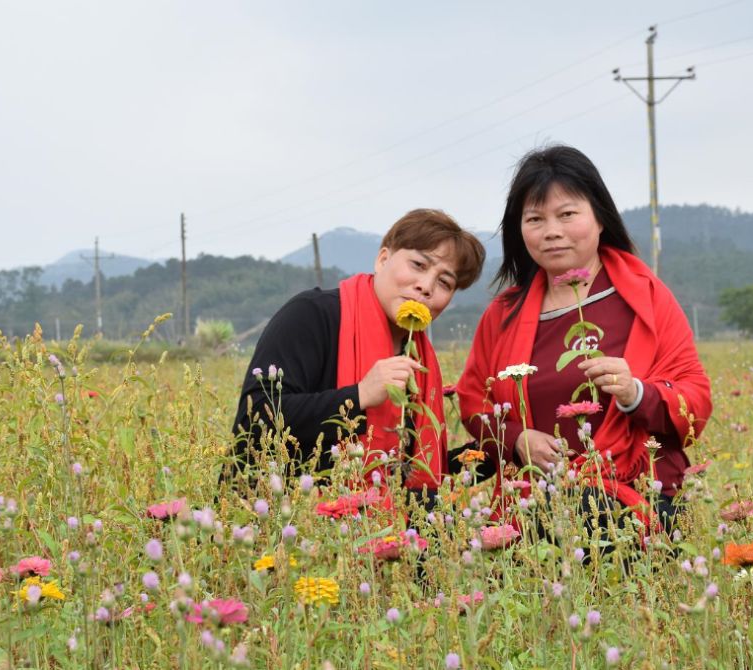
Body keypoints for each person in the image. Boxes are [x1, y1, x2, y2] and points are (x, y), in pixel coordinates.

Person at [456, 145, 711, 532]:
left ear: (600, 218)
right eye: (535, 219)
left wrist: (636, 393)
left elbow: (695, 398)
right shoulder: (504, 313)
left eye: (567, 214)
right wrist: (516, 438)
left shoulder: (645, 297)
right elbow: (474, 398)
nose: (551, 231)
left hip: (641, 499)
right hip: (537, 511)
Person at [231, 209, 485, 498]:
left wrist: (506, 444)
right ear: (383, 259)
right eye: (418, 264)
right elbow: (254, 420)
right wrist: (359, 395)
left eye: (444, 283)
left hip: (374, 533)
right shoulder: (313, 314)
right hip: (281, 523)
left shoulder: (418, 359)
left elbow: (411, 471)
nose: (426, 286)